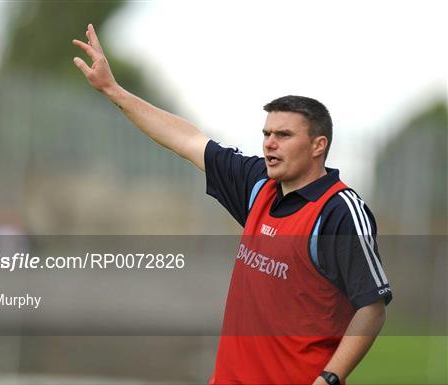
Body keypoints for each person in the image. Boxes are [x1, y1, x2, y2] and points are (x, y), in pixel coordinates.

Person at [72, 24, 392, 385]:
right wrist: (113, 90)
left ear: (318, 145)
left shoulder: (339, 211)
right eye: (266, 134)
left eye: (283, 135)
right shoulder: (259, 185)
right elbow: (187, 139)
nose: (270, 143)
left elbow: (371, 307)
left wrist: (329, 379)